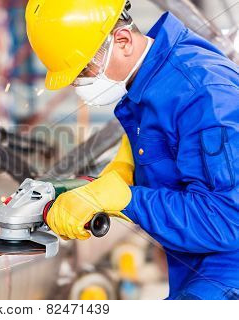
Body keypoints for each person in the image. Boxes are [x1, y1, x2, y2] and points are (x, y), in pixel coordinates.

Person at [26, 0, 239, 300]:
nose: (80, 84)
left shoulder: (202, 93)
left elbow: (228, 220)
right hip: (201, 266)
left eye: (84, 69)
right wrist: (127, 172)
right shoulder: (155, 85)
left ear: (123, 41)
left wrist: (127, 199)